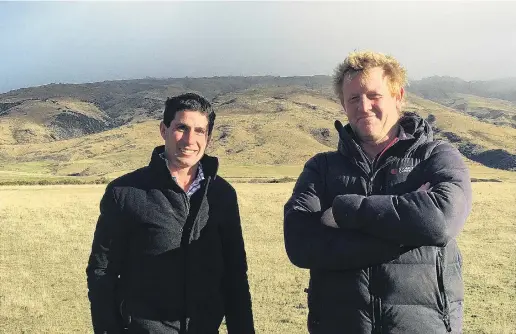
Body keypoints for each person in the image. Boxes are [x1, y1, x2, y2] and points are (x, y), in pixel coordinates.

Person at [284, 51, 472, 333]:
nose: (364, 106)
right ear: (343, 106)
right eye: (353, 99)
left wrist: (343, 211)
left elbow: (439, 221)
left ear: (398, 96)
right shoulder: (321, 168)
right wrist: (408, 236)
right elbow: (300, 244)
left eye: (374, 95)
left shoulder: (437, 157)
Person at [86, 92, 255, 334]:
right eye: (181, 128)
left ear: (208, 138)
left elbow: (236, 275)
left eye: (199, 131)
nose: (189, 139)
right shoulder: (124, 193)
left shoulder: (222, 194)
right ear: (163, 130)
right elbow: (102, 271)